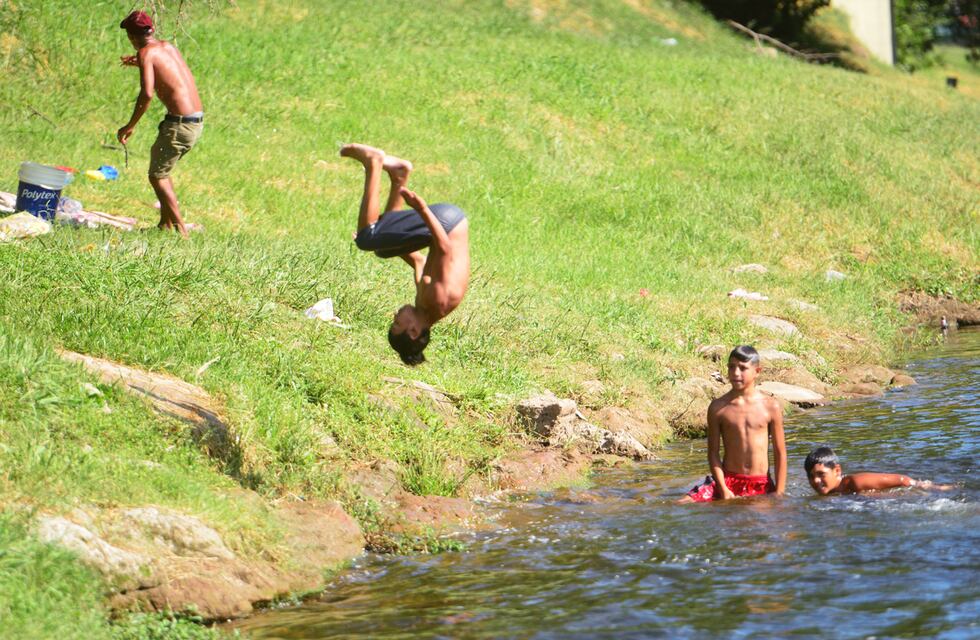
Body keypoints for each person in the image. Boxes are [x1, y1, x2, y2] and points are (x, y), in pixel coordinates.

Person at [340, 143, 470, 365]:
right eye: (397, 323)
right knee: (367, 239)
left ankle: (399, 175)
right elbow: (445, 248)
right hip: (447, 224)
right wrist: (421, 208)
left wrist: (382, 241)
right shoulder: (436, 301)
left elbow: (419, 259)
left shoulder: (427, 307)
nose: (395, 316)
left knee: (380, 248)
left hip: (447, 225)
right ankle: (374, 161)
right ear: (413, 331)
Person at [116, 11, 203, 238]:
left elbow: (147, 93)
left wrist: (130, 125)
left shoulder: (146, 53)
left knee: (158, 176)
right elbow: (169, 72)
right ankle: (165, 224)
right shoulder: (167, 47)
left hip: (179, 125)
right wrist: (141, 63)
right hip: (194, 121)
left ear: (132, 37)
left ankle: (181, 232)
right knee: (162, 170)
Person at [679, 345, 787, 502]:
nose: (736, 373)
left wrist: (779, 491)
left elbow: (780, 452)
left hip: (760, 483)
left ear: (757, 371)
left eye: (743, 368)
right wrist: (723, 489)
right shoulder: (718, 407)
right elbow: (713, 453)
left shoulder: (770, 406)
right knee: (681, 504)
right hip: (727, 480)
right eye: (731, 367)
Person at [804, 446, 952, 495]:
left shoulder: (855, 482)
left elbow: (902, 480)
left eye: (821, 474)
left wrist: (934, 488)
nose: (816, 481)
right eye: (811, 477)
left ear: (837, 470)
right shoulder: (834, 493)